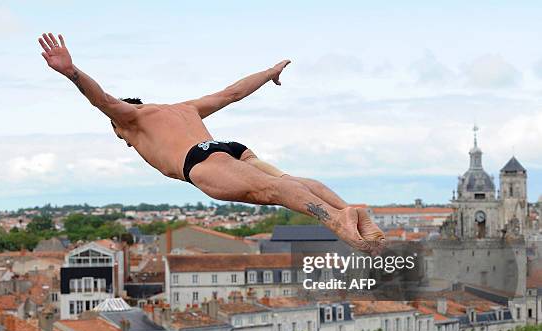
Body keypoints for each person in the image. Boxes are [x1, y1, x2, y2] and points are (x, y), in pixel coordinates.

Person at [38, 33, 385, 255]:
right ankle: (352, 212)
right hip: (228, 148)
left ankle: (338, 221)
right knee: (286, 182)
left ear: (121, 122)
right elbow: (232, 93)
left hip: (202, 162)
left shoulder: (132, 118)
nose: (127, 143)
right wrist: (269, 73)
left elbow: (102, 100)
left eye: (120, 137)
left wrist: (72, 73)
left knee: (272, 192)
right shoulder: (183, 108)